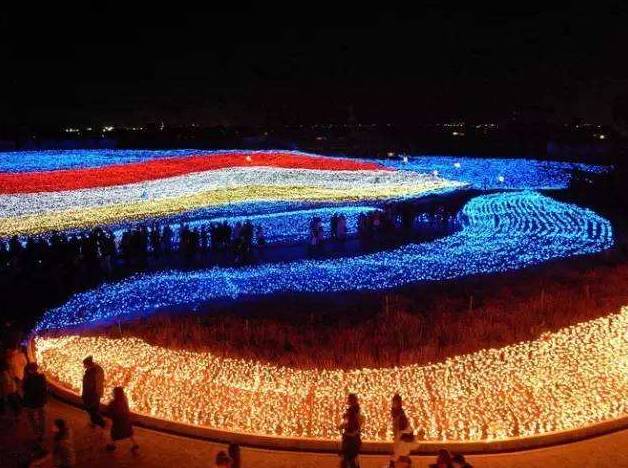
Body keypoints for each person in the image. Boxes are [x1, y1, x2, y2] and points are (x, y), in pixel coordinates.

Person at [105, 386, 139, 452]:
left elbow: (110, 411)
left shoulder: (113, 403)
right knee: (129, 434)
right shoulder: (124, 401)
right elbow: (127, 410)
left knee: (115, 434)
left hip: (118, 423)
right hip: (126, 421)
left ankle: (112, 445)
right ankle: (135, 444)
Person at [22, 362, 47, 447]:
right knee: (41, 418)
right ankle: (41, 434)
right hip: (40, 402)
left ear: (29, 370)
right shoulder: (41, 377)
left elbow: (24, 389)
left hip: (30, 403)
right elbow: (44, 389)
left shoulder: (27, 379)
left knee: (32, 418)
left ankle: (37, 433)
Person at [339, 393, 363, 468]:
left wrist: (342, 426)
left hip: (350, 438)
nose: (348, 401)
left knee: (348, 459)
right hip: (353, 437)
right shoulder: (356, 410)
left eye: (349, 399)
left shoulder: (352, 411)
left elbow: (350, 423)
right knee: (352, 459)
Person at [390, 394, 415, 466]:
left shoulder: (399, 413)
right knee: (399, 454)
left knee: (400, 454)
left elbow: (400, 425)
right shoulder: (396, 412)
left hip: (402, 435)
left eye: (395, 402)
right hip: (401, 435)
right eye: (393, 402)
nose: (393, 404)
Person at [81, 356, 105, 428]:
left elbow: (95, 384)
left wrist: (96, 394)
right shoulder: (91, 370)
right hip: (90, 394)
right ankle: (95, 423)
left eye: (84, 364)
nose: (83, 366)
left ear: (88, 364)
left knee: (93, 410)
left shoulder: (94, 372)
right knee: (91, 410)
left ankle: (101, 423)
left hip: (93, 394)